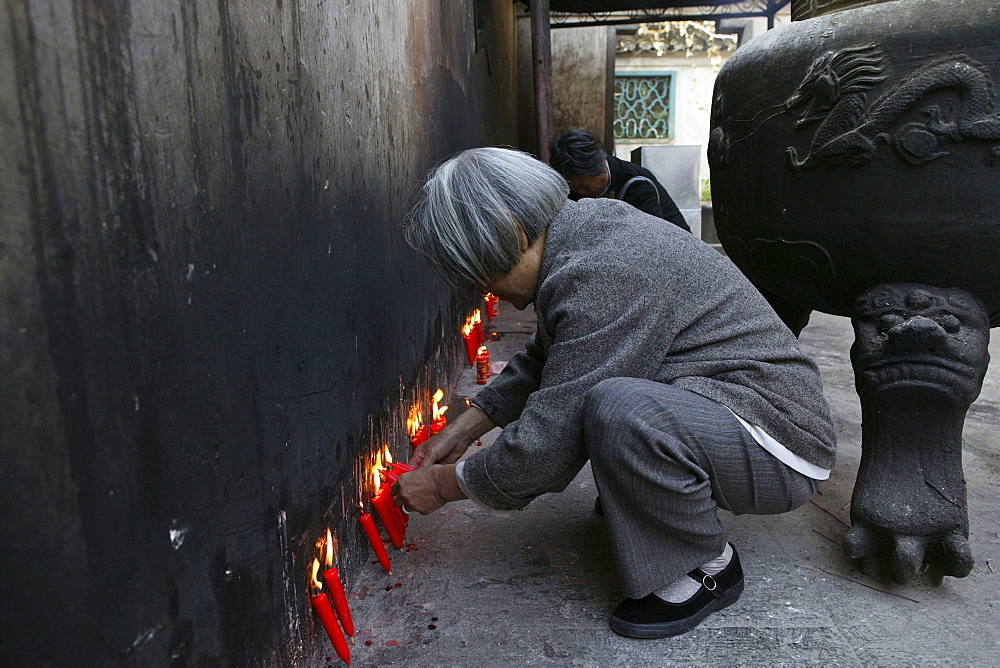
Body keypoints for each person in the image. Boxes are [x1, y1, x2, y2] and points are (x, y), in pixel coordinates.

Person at [395, 147, 836, 639]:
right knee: (607, 405)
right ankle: (658, 499)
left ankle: (706, 568)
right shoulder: (580, 235)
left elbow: (547, 446)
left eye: (485, 275)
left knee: (617, 408)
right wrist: (463, 429)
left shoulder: (606, 272)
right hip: (731, 413)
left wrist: (442, 485)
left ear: (514, 235)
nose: (487, 293)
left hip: (778, 442)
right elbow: (547, 357)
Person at [548, 129, 690, 232]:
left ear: (603, 163)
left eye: (585, 186)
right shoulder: (571, 188)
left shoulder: (637, 185)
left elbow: (654, 235)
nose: (580, 193)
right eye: (574, 188)